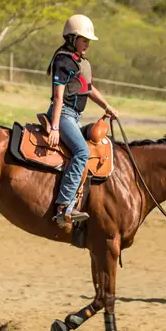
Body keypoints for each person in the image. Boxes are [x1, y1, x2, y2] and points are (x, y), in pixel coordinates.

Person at [46, 14, 118, 227]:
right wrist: (55, 127)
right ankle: (63, 206)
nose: (87, 44)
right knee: (82, 152)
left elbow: (89, 89)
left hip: (76, 117)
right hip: (64, 115)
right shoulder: (63, 61)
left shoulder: (82, 62)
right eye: (84, 39)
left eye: (88, 41)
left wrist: (107, 106)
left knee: (100, 141)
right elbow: (58, 97)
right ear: (71, 38)